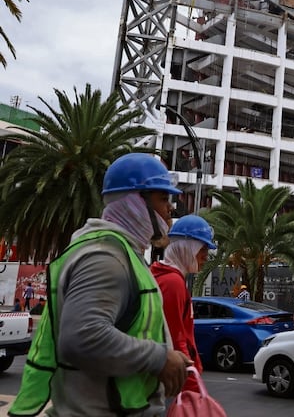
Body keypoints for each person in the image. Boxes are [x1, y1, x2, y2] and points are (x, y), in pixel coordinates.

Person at [11, 152, 192, 417]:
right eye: (163, 198)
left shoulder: (121, 252)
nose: (170, 209)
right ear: (135, 202)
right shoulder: (105, 257)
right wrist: (160, 358)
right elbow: (83, 337)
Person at [150, 214, 216, 393]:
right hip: (175, 382)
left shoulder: (163, 276)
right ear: (187, 248)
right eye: (202, 249)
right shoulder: (173, 283)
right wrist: (194, 389)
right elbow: (175, 338)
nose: (205, 256)